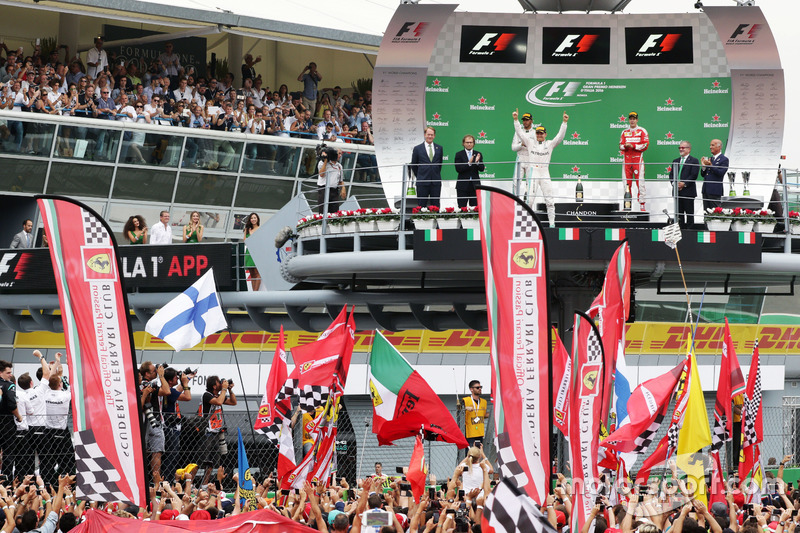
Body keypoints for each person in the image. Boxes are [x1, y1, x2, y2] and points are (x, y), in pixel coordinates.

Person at [512, 109, 568, 227]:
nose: (539, 135)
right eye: (537, 133)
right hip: (533, 172)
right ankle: (525, 224)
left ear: (545, 134)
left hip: (544, 172)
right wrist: (516, 120)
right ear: (535, 134)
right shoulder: (530, 142)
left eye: (541, 133)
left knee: (549, 200)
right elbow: (520, 133)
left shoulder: (550, 144)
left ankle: (552, 224)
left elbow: (560, 137)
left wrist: (564, 123)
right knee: (529, 200)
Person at [200, 376, 236, 486]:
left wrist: (229, 390)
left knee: (214, 461)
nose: (221, 383)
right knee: (205, 460)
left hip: (217, 432)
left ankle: (209, 484)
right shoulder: (207, 395)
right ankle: (197, 483)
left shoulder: (218, 395)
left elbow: (233, 402)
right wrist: (224, 389)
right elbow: (219, 402)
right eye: (219, 382)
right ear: (214, 386)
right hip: (207, 431)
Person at [139, 361, 171, 484]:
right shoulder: (148, 385)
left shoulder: (144, 384)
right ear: (147, 373)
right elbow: (167, 391)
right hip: (153, 422)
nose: (157, 372)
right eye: (154, 371)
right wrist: (162, 376)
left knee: (146, 452)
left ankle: (146, 480)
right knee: (156, 452)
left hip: (145, 422)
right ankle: (156, 481)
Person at [161, 366, 193, 484]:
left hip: (167, 426)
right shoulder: (169, 391)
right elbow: (187, 397)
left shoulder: (166, 389)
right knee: (172, 456)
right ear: (170, 381)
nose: (177, 379)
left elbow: (177, 391)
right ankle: (168, 481)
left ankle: (166, 480)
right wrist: (185, 383)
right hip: (170, 427)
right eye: (175, 378)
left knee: (169, 456)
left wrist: (187, 378)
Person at [43, 373, 73, 485]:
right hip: (61, 432)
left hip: (48, 432)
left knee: (48, 461)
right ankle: (68, 485)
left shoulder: (45, 394)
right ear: (60, 384)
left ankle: (48, 484)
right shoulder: (65, 395)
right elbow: (71, 387)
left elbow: (47, 383)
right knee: (67, 460)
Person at [619, 111, 649, 211]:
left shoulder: (642, 130)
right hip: (627, 160)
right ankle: (627, 205)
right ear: (629, 120)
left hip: (638, 160)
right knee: (626, 184)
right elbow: (620, 145)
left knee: (640, 183)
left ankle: (642, 205)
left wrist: (633, 146)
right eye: (631, 119)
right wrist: (625, 146)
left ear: (637, 120)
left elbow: (645, 145)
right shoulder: (624, 132)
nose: (632, 120)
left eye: (634, 119)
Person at [410, 127, 443, 208]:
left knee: (435, 205)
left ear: (434, 136)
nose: (430, 136)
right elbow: (414, 164)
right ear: (425, 135)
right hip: (422, 181)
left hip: (435, 182)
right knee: (421, 205)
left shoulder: (439, 148)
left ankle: (435, 220)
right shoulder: (417, 148)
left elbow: (440, 164)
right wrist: (420, 175)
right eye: (428, 134)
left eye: (432, 135)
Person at [671, 142, 699, 228]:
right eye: (679, 147)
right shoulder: (675, 161)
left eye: (683, 147)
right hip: (677, 192)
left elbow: (694, 175)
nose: (681, 149)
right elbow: (671, 175)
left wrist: (684, 184)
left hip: (688, 192)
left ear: (689, 149)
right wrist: (674, 184)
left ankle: (690, 232)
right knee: (679, 214)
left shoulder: (694, 161)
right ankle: (680, 230)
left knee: (689, 213)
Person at [454, 135, 484, 208]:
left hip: (474, 185)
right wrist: (469, 163)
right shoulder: (459, 154)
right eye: (467, 142)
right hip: (462, 186)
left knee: (475, 208)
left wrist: (477, 162)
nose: (469, 144)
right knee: (462, 207)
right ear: (463, 143)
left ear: (474, 143)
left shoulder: (478, 154)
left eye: (471, 142)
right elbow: (458, 169)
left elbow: (482, 168)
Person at [701, 138, 729, 211]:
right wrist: (703, 166)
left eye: (712, 145)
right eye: (710, 145)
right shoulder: (710, 159)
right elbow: (703, 174)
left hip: (715, 191)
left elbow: (720, 173)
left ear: (719, 147)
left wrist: (711, 166)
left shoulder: (724, 159)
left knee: (715, 213)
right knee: (706, 212)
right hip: (706, 190)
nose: (710, 147)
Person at [512, 112, 536, 194]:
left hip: (530, 158)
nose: (525, 122)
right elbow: (513, 148)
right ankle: (515, 203)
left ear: (531, 121)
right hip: (520, 158)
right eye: (524, 120)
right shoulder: (518, 132)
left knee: (530, 183)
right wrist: (521, 145)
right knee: (516, 182)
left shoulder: (535, 133)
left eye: (527, 120)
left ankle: (529, 204)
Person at [460, 380, 487, 448]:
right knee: (470, 455)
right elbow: (458, 411)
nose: (480, 389)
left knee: (478, 454)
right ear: (471, 389)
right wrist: (465, 408)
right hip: (470, 434)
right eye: (477, 387)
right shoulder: (465, 400)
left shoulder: (484, 402)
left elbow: (484, 415)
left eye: (480, 387)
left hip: (480, 433)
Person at [317, 147, 344, 214]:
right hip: (324, 189)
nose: (340, 155)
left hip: (334, 190)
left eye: (341, 154)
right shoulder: (321, 163)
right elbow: (321, 174)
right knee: (323, 210)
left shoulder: (339, 166)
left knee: (335, 211)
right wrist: (326, 161)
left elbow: (340, 180)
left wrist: (343, 188)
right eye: (339, 153)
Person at [243, 213, 261, 292]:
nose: (253, 219)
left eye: (255, 218)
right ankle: (253, 292)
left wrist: (251, 235)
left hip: (257, 252)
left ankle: (255, 292)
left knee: (257, 273)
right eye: (252, 218)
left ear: (257, 219)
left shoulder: (260, 228)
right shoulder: (247, 229)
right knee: (252, 273)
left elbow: (260, 241)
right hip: (249, 252)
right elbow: (245, 241)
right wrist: (249, 233)